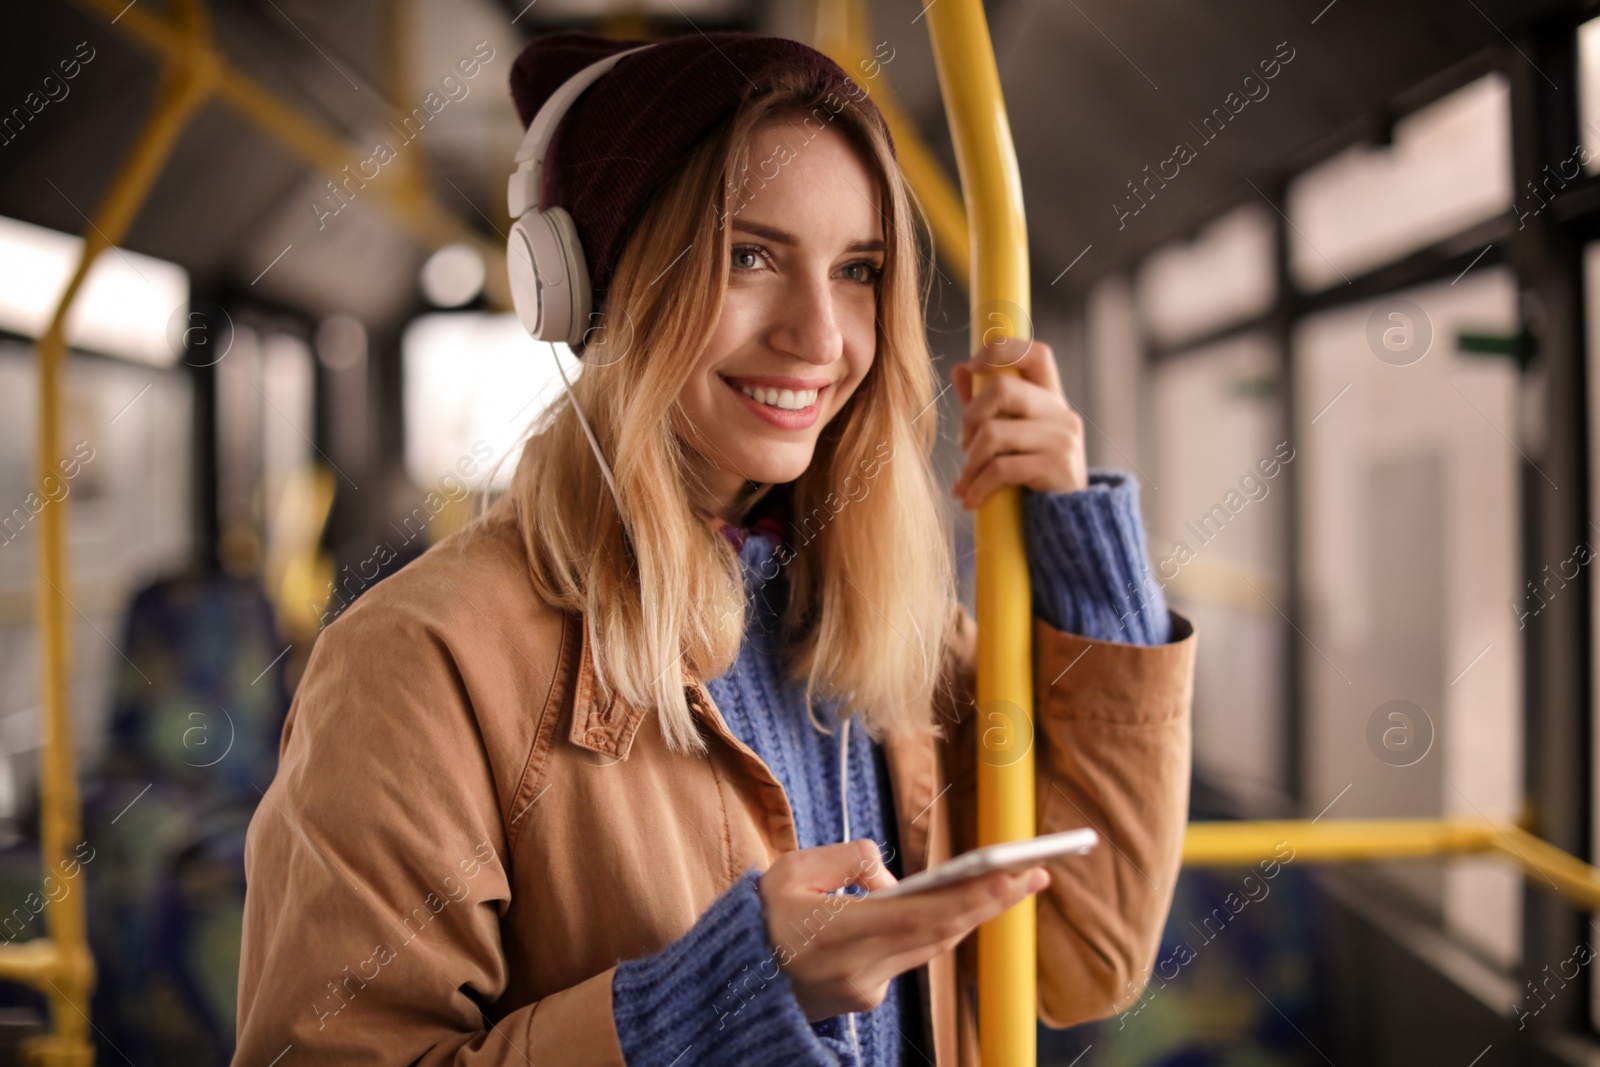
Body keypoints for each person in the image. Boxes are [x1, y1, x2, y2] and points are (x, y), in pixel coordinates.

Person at [234, 30, 1196, 1067]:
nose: (820, 335)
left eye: (858, 270)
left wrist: (1083, 560)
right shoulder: (421, 661)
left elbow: (1084, 953)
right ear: (593, 289)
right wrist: (712, 1004)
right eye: (749, 256)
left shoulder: (897, 626)